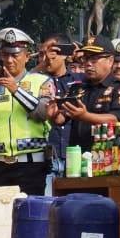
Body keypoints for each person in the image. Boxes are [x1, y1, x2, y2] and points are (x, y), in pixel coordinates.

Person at [0, 28, 54, 197]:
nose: (9, 60)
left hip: (31, 166)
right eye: (5, 55)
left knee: (29, 217)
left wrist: (16, 90)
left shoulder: (41, 81)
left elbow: (42, 113)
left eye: (15, 55)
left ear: (27, 57)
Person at [55, 36, 120, 150]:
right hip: (77, 155)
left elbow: (115, 119)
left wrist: (85, 116)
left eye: (94, 59)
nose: (88, 64)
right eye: (85, 59)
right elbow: (61, 119)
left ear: (110, 61)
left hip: (106, 155)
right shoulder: (77, 87)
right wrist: (54, 114)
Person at [36, 33, 81, 177]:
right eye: (42, 53)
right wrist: (43, 63)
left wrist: (80, 56)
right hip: (47, 159)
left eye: (52, 52)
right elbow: (24, 81)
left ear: (63, 54)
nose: (47, 57)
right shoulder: (36, 81)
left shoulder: (78, 80)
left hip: (74, 157)